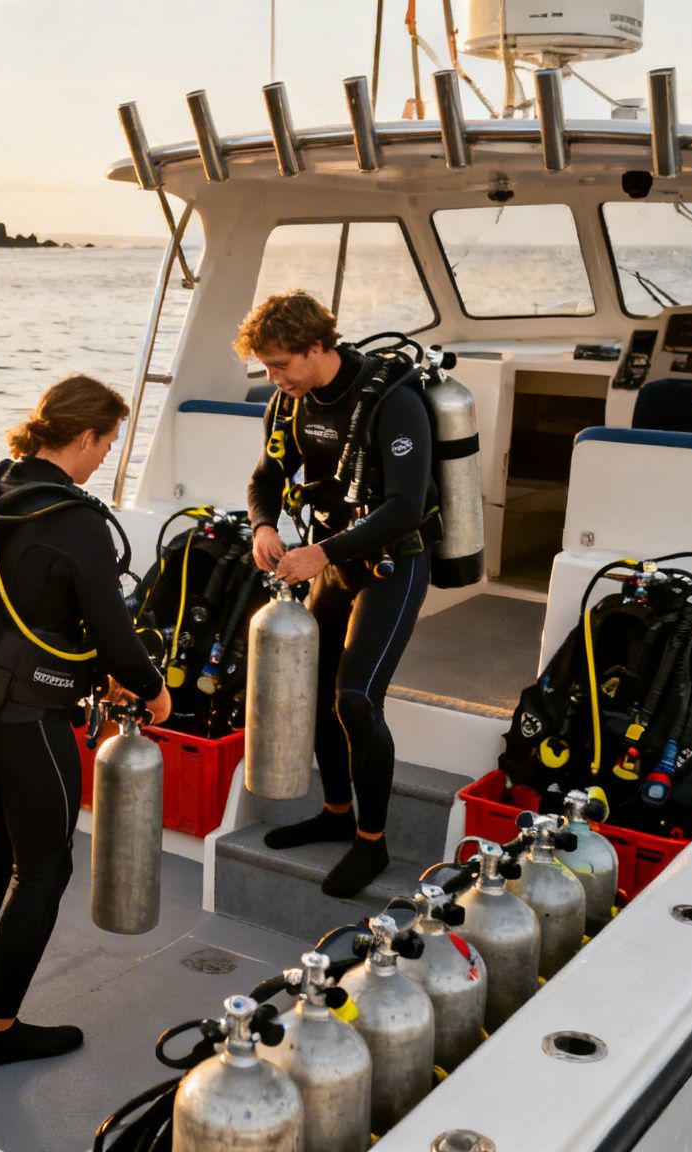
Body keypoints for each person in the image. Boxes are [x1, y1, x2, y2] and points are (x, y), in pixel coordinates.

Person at [0, 375, 173, 1068]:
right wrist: (153, 690)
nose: (105, 457)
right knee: (44, 867)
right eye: (107, 442)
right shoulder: (74, 520)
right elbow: (114, 632)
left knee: (1, 839)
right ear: (84, 436)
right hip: (29, 721)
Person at [238, 291, 435, 898]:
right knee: (315, 692)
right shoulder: (288, 403)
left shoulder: (394, 401)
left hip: (392, 565)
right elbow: (265, 478)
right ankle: (336, 813)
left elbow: (404, 506)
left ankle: (372, 842)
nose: (274, 379)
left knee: (355, 699)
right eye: (267, 368)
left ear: (317, 346)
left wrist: (322, 553)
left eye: (280, 365)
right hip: (331, 562)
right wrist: (263, 526)